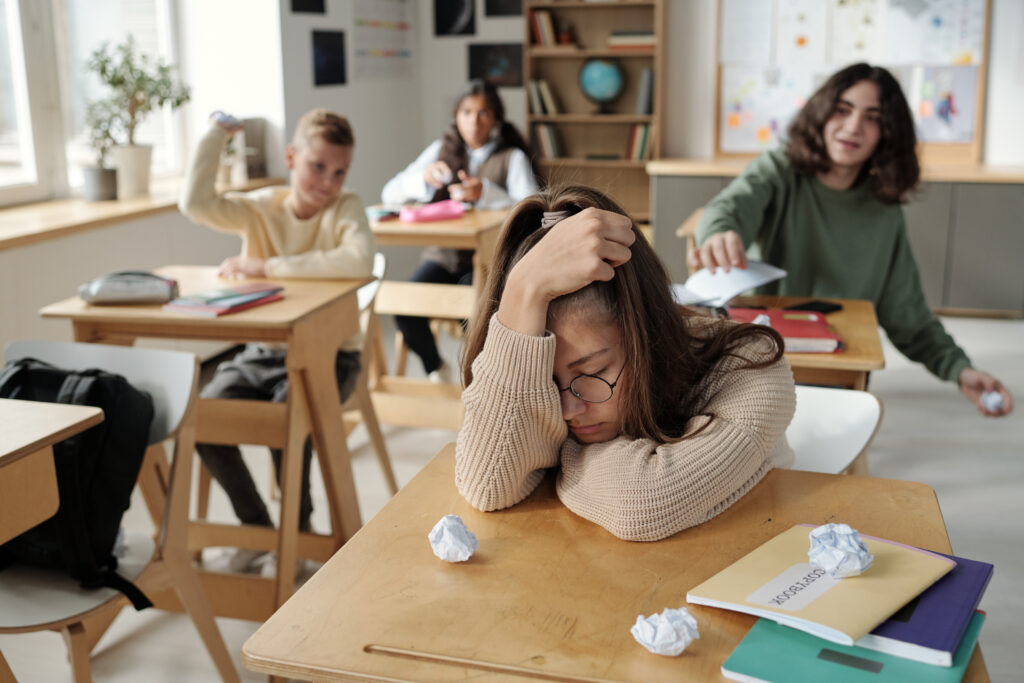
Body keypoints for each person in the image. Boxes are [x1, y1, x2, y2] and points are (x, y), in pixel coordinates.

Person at [454, 186, 796, 542]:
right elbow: (487, 483)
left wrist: (559, 454)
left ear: (647, 335)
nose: (568, 411)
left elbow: (640, 504)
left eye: (592, 374)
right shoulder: (575, 396)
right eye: (545, 382)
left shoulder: (753, 364)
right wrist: (523, 289)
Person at [690, 62, 1013, 417]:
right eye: (843, 110)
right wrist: (720, 231)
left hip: (838, 363)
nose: (853, 126)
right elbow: (730, 207)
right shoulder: (781, 169)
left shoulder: (884, 211)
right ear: (822, 112)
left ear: (887, 133)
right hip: (763, 351)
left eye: (872, 117)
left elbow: (909, 317)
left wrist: (960, 369)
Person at [179, 108, 375, 571]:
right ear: (290, 157)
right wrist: (217, 136)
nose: (327, 181)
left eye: (339, 171)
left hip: (332, 358)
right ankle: (261, 532)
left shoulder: (346, 208)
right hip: (264, 353)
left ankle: (301, 537)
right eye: (317, 166)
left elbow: (359, 261)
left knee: (291, 415)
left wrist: (267, 268)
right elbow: (195, 203)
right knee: (205, 418)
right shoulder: (261, 206)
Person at [381, 79, 540, 383]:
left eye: (483, 113)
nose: (474, 121)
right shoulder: (440, 151)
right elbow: (390, 192)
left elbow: (530, 209)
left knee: (476, 313)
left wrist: (487, 193)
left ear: (496, 119)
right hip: (442, 257)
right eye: (467, 112)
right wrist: (423, 179)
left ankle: (486, 380)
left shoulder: (511, 157)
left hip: (486, 261)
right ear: (456, 116)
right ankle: (434, 367)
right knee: (405, 307)